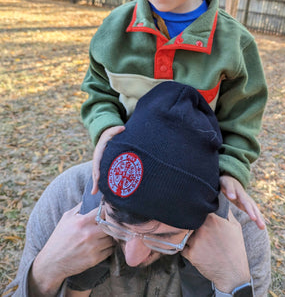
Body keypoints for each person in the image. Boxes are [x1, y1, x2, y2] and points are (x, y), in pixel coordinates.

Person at [80, 0, 268, 229]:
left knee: (199, 270)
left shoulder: (233, 45)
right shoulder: (115, 30)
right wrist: (104, 129)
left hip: (189, 189)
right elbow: (98, 90)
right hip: (122, 177)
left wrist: (230, 169)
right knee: (88, 243)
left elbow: (242, 119)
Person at [4, 82, 271, 296]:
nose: (132, 257)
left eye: (165, 236)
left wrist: (234, 284)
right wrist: (45, 273)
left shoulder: (239, 228)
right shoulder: (66, 198)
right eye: (116, 222)